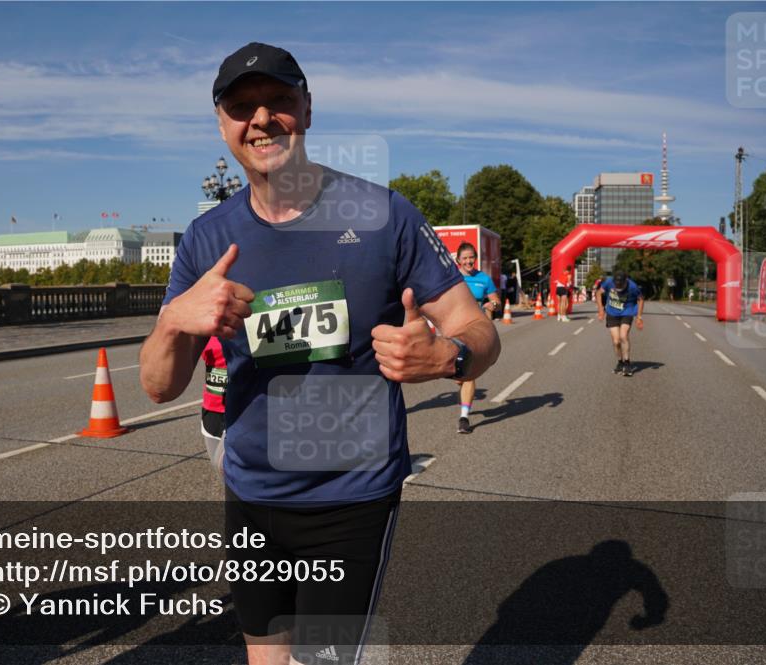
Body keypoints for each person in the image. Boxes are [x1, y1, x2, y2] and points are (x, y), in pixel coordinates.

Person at [139, 42, 500, 665]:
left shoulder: (384, 214)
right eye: (241, 106)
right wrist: (173, 323)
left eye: (279, 101)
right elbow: (157, 387)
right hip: (251, 491)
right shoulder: (207, 237)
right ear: (222, 123)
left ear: (306, 109)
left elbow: (480, 331)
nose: (261, 119)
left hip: (352, 498)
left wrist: (447, 358)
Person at [454, 243, 500, 434]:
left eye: (471, 257)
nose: (468, 261)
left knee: (468, 373)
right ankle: (461, 379)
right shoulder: (452, 278)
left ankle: (464, 417)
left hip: (476, 329)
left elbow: (496, 299)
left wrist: (493, 305)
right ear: (458, 260)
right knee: (458, 376)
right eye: (464, 258)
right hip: (454, 328)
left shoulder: (484, 278)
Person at [595, 270, 644, 377]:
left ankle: (627, 362)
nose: (619, 288)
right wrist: (601, 310)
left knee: (623, 336)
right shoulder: (608, 282)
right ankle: (620, 362)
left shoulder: (633, 286)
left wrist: (639, 317)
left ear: (625, 281)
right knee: (616, 341)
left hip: (627, 312)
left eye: (621, 285)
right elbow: (598, 293)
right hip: (612, 313)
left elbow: (640, 299)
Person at [200, 336, 227, 473]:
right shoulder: (207, 322)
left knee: (225, 468)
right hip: (211, 410)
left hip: (242, 411)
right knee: (219, 470)